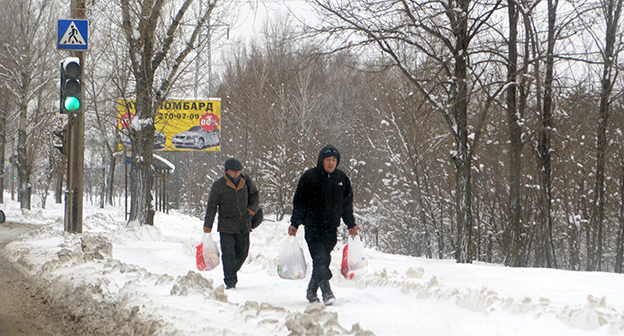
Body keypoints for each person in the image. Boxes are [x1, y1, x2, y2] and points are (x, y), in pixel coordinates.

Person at [288, 144, 361, 305]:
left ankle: (311, 291)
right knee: (320, 259)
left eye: (334, 160)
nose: (331, 163)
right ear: (321, 160)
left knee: (323, 261)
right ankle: (327, 292)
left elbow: (347, 205)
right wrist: (295, 223)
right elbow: (299, 202)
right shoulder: (310, 177)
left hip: (331, 229)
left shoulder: (342, 179)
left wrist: (351, 224)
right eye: (328, 159)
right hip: (313, 228)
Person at [204, 158, 260, 289]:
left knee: (243, 252)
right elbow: (212, 206)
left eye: (239, 171)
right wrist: (208, 225)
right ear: (227, 171)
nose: (237, 174)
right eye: (234, 171)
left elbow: (255, 195)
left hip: (244, 224)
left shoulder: (246, 181)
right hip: (226, 226)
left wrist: (251, 210)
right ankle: (230, 281)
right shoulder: (219, 185)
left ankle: (231, 271)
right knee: (228, 254)